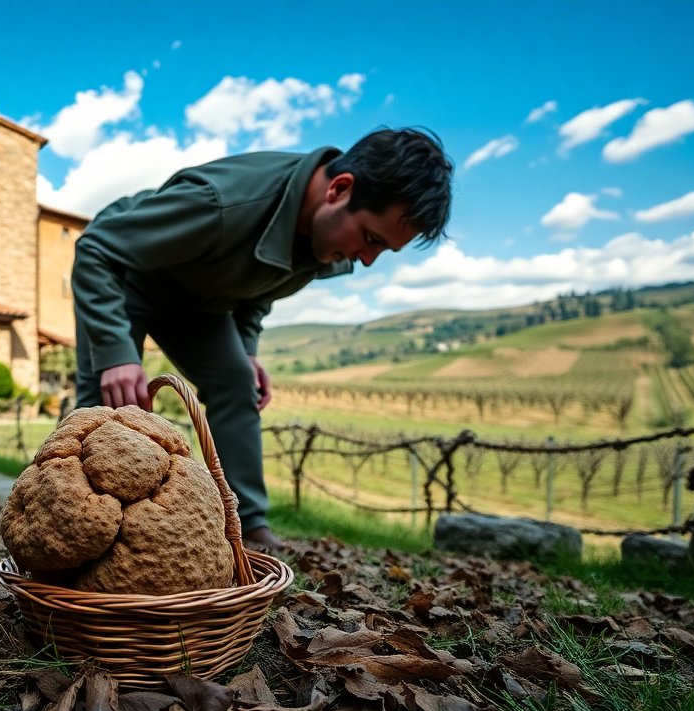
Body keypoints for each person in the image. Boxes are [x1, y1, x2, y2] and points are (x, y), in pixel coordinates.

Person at [70, 127, 453, 550]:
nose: (367, 259)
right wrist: (116, 353)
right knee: (107, 404)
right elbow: (97, 249)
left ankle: (246, 527)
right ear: (340, 189)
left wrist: (247, 351)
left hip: (198, 302)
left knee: (238, 382)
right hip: (124, 274)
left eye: (383, 250)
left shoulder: (322, 240)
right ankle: (76, 527)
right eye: (371, 238)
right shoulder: (222, 203)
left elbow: (257, 293)